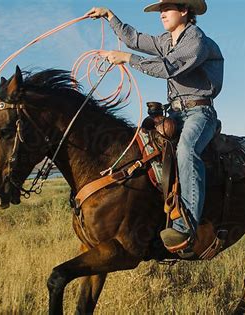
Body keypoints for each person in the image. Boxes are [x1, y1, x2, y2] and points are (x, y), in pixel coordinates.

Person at [86, 0, 224, 251]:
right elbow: (134, 39)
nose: (162, 14)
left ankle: (187, 225)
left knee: (186, 150)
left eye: (167, 8)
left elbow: (167, 68)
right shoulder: (165, 41)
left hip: (199, 112)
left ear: (184, 11)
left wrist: (127, 59)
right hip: (173, 112)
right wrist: (109, 16)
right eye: (160, 10)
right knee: (143, 149)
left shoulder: (196, 41)